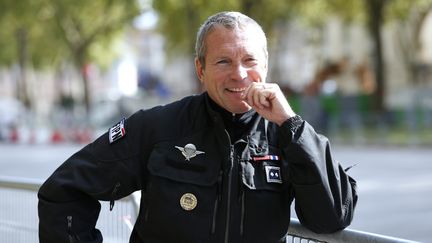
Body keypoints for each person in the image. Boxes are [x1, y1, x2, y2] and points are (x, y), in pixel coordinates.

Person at [38, 11, 357, 243]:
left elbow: (330, 219)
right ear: (200, 69)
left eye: (250, 61)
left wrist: (291, 124)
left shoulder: (289, 135)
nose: (239, 75)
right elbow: (63, 191)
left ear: (265, 65)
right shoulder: (158, 126)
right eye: (223, 62)